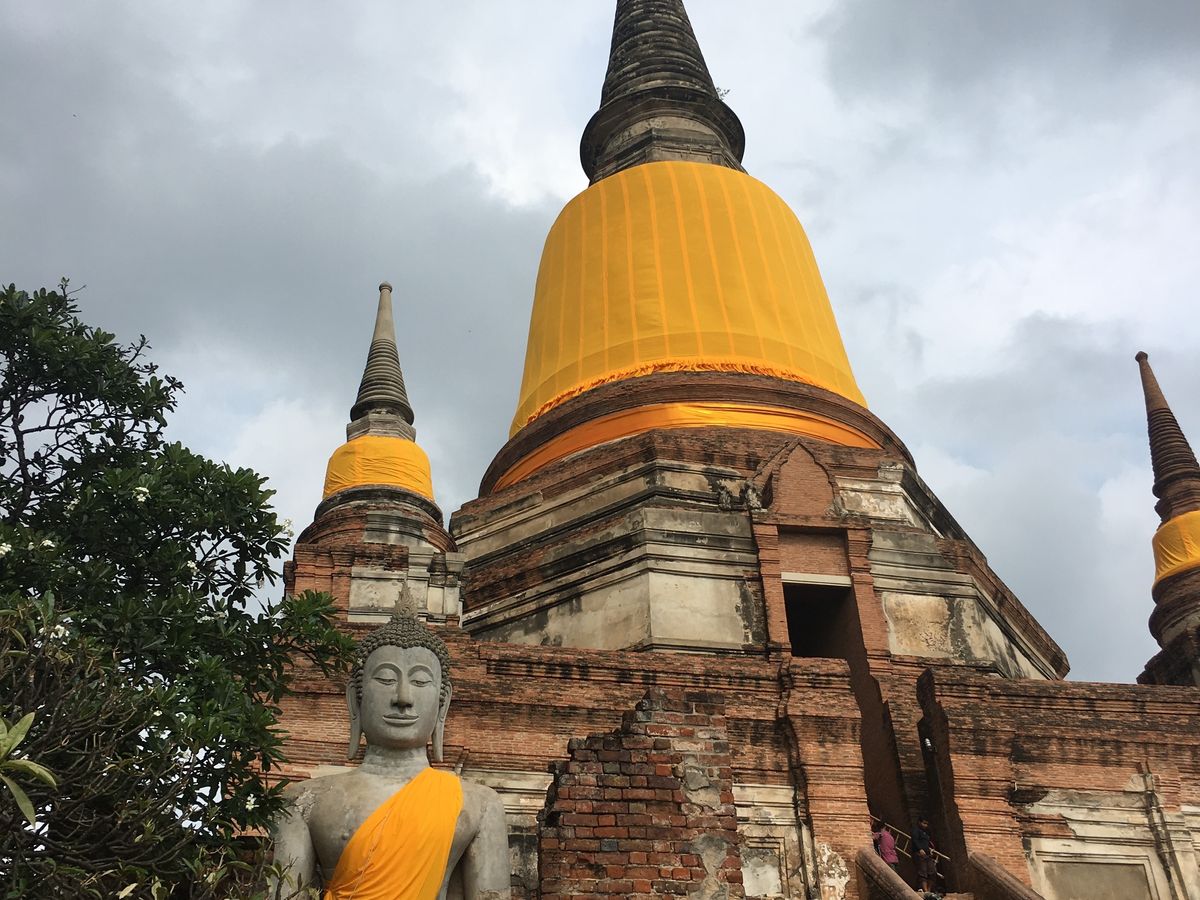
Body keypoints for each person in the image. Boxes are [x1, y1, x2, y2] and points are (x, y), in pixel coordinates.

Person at [270, 609, 511, 899]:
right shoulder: (304, 801)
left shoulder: (479, 804)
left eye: (420, 682)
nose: (403, 698)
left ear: (443, 703)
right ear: (355, 698)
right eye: (385, 679)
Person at [912, 816, 937, 894]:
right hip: (920, 854)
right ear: (919, 822)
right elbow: (915, 840)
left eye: (927, 824)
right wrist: (919, 849)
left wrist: (930, 849)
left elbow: (928, 842)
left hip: (928, 854)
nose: (925, 825)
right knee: (923, 872)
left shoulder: (926, 832)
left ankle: (929, 890)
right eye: (924, 823)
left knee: (932, 872)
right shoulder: (916, 831)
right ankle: (925, 891)